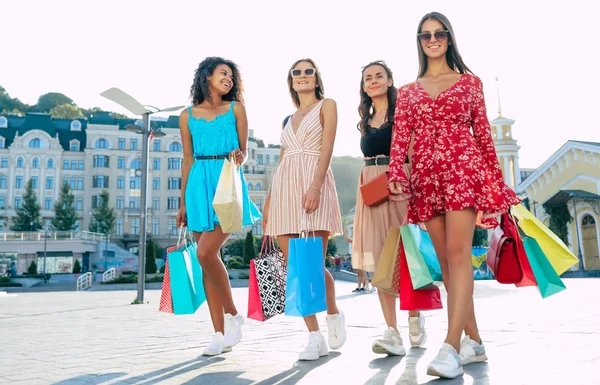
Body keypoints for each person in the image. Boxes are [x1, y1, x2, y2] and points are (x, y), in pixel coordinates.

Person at [388, 12, 521, 379]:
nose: (432, 39)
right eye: (425, 34)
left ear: (449, 38)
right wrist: (398, 171)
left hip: (464, 170)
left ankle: (450, 346)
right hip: (427, 177)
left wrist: (496, 184)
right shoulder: (410, 91)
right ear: (419, 40)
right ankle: (474, 342)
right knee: (445, 261)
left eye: (439, 33)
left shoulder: (469, 83)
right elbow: (400, 138)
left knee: (459, 254)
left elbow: (483, 135)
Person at [177, 57, 262, 357]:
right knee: (207, 261)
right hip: (198, 184)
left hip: (226, 184)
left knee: (205, 252)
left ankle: (233, 314)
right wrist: (182, 201)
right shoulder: (186, 115)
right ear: (207, 76)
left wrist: (239, 156)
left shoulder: (237, 109)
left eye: (231, 76)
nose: (229, 79)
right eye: (223, 74)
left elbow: (245, 153)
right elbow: (187, 159)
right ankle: (218, 333)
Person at [263, 58, 347, 361]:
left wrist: (315, 185)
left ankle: (333, 313)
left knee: (311, 263)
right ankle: (314, 337)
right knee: (294, 268)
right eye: (296, 72)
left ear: (316, 78)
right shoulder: (287, 119)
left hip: (314, 182)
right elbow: (282, 158)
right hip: (285, 189)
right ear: (291, 81)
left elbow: (327, 147)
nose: (302, 76)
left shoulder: (327, 105)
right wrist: (270, 201)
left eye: (307, 71)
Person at [351, 60, 427, 356]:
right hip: (371, 186)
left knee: (404, 254)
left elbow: (413, 150)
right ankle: (392, 332)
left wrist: (412, 188)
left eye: (378, 76)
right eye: (367, 78)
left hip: (399, 182)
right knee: (379, 259)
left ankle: (414, 316)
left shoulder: (403, 111)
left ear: (390, 80)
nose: (373, 81)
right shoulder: (364, 117)